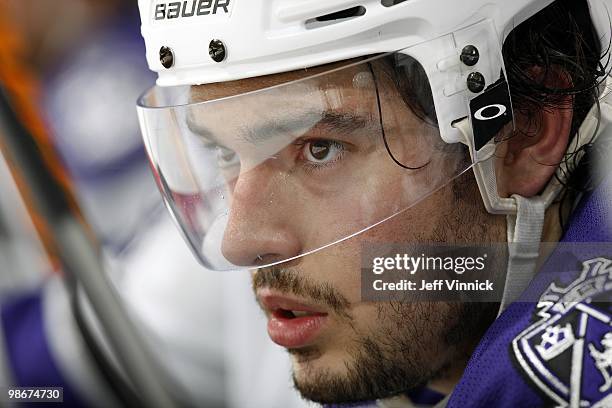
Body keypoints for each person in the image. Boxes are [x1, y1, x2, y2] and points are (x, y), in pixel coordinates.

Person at [136, 0, 612, 406]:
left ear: (523, 132)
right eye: (223, 152)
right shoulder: (390, 283)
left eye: (320, 149)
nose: (240, 242)